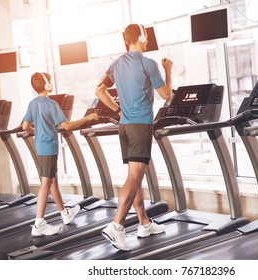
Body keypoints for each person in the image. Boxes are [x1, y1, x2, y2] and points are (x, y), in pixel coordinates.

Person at [95, 23, 173, 251]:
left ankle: (144, 223)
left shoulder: (116, 64)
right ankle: (116, 226)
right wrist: (168, 69)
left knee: (135, 175)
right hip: (140, 125)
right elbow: (166, 95)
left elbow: (99, 90)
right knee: (134, 176)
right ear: (140, 37)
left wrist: (118, 111)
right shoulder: (148, 63)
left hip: (124, 126)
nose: (148, 38)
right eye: (146, 34)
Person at [22, 72, 99, 236]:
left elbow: (24, 127)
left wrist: (37, 132)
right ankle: (39, 224)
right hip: (49, 148)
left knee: (53, 181)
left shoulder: (33, 103)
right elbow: (67, 126)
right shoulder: (52, 104)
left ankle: (65, 214)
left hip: (41, 147)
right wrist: (88, 118)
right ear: (47, 85)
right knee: (46, 184)